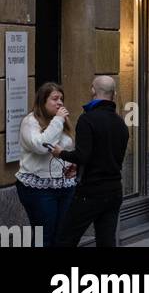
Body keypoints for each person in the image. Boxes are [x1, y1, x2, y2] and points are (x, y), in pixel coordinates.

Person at [53, 75, 129, 249]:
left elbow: (83, 156)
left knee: (66, 239)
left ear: (93, 90)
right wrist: (80, 166)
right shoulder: (120, 123)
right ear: (114, 94)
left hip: (91, 191)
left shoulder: (87, 119)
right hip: (114, 190)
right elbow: (107, 156)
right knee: (106, 241)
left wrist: (61, 153)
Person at [16, 82, 78, 246]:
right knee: (44, 236)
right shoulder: (30, 122)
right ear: (42, 101)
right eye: (55, 99)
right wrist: (58, 120)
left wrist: (72, 164)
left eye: (62, 99)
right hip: (38, 188)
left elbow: (67, 148)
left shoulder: (62, 122)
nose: (60, 103)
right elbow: (42, 146)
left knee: (63, 234)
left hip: (65, 186)